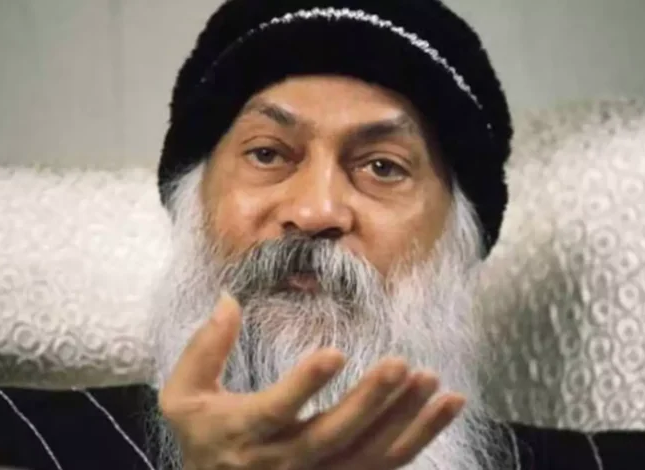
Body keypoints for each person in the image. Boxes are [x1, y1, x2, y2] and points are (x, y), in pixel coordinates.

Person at [150, 0, 512, 468]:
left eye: (382, 167)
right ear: (193, 201)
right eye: (267, 154)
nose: (314, 212)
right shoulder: (53, 442)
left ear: (458, 238)